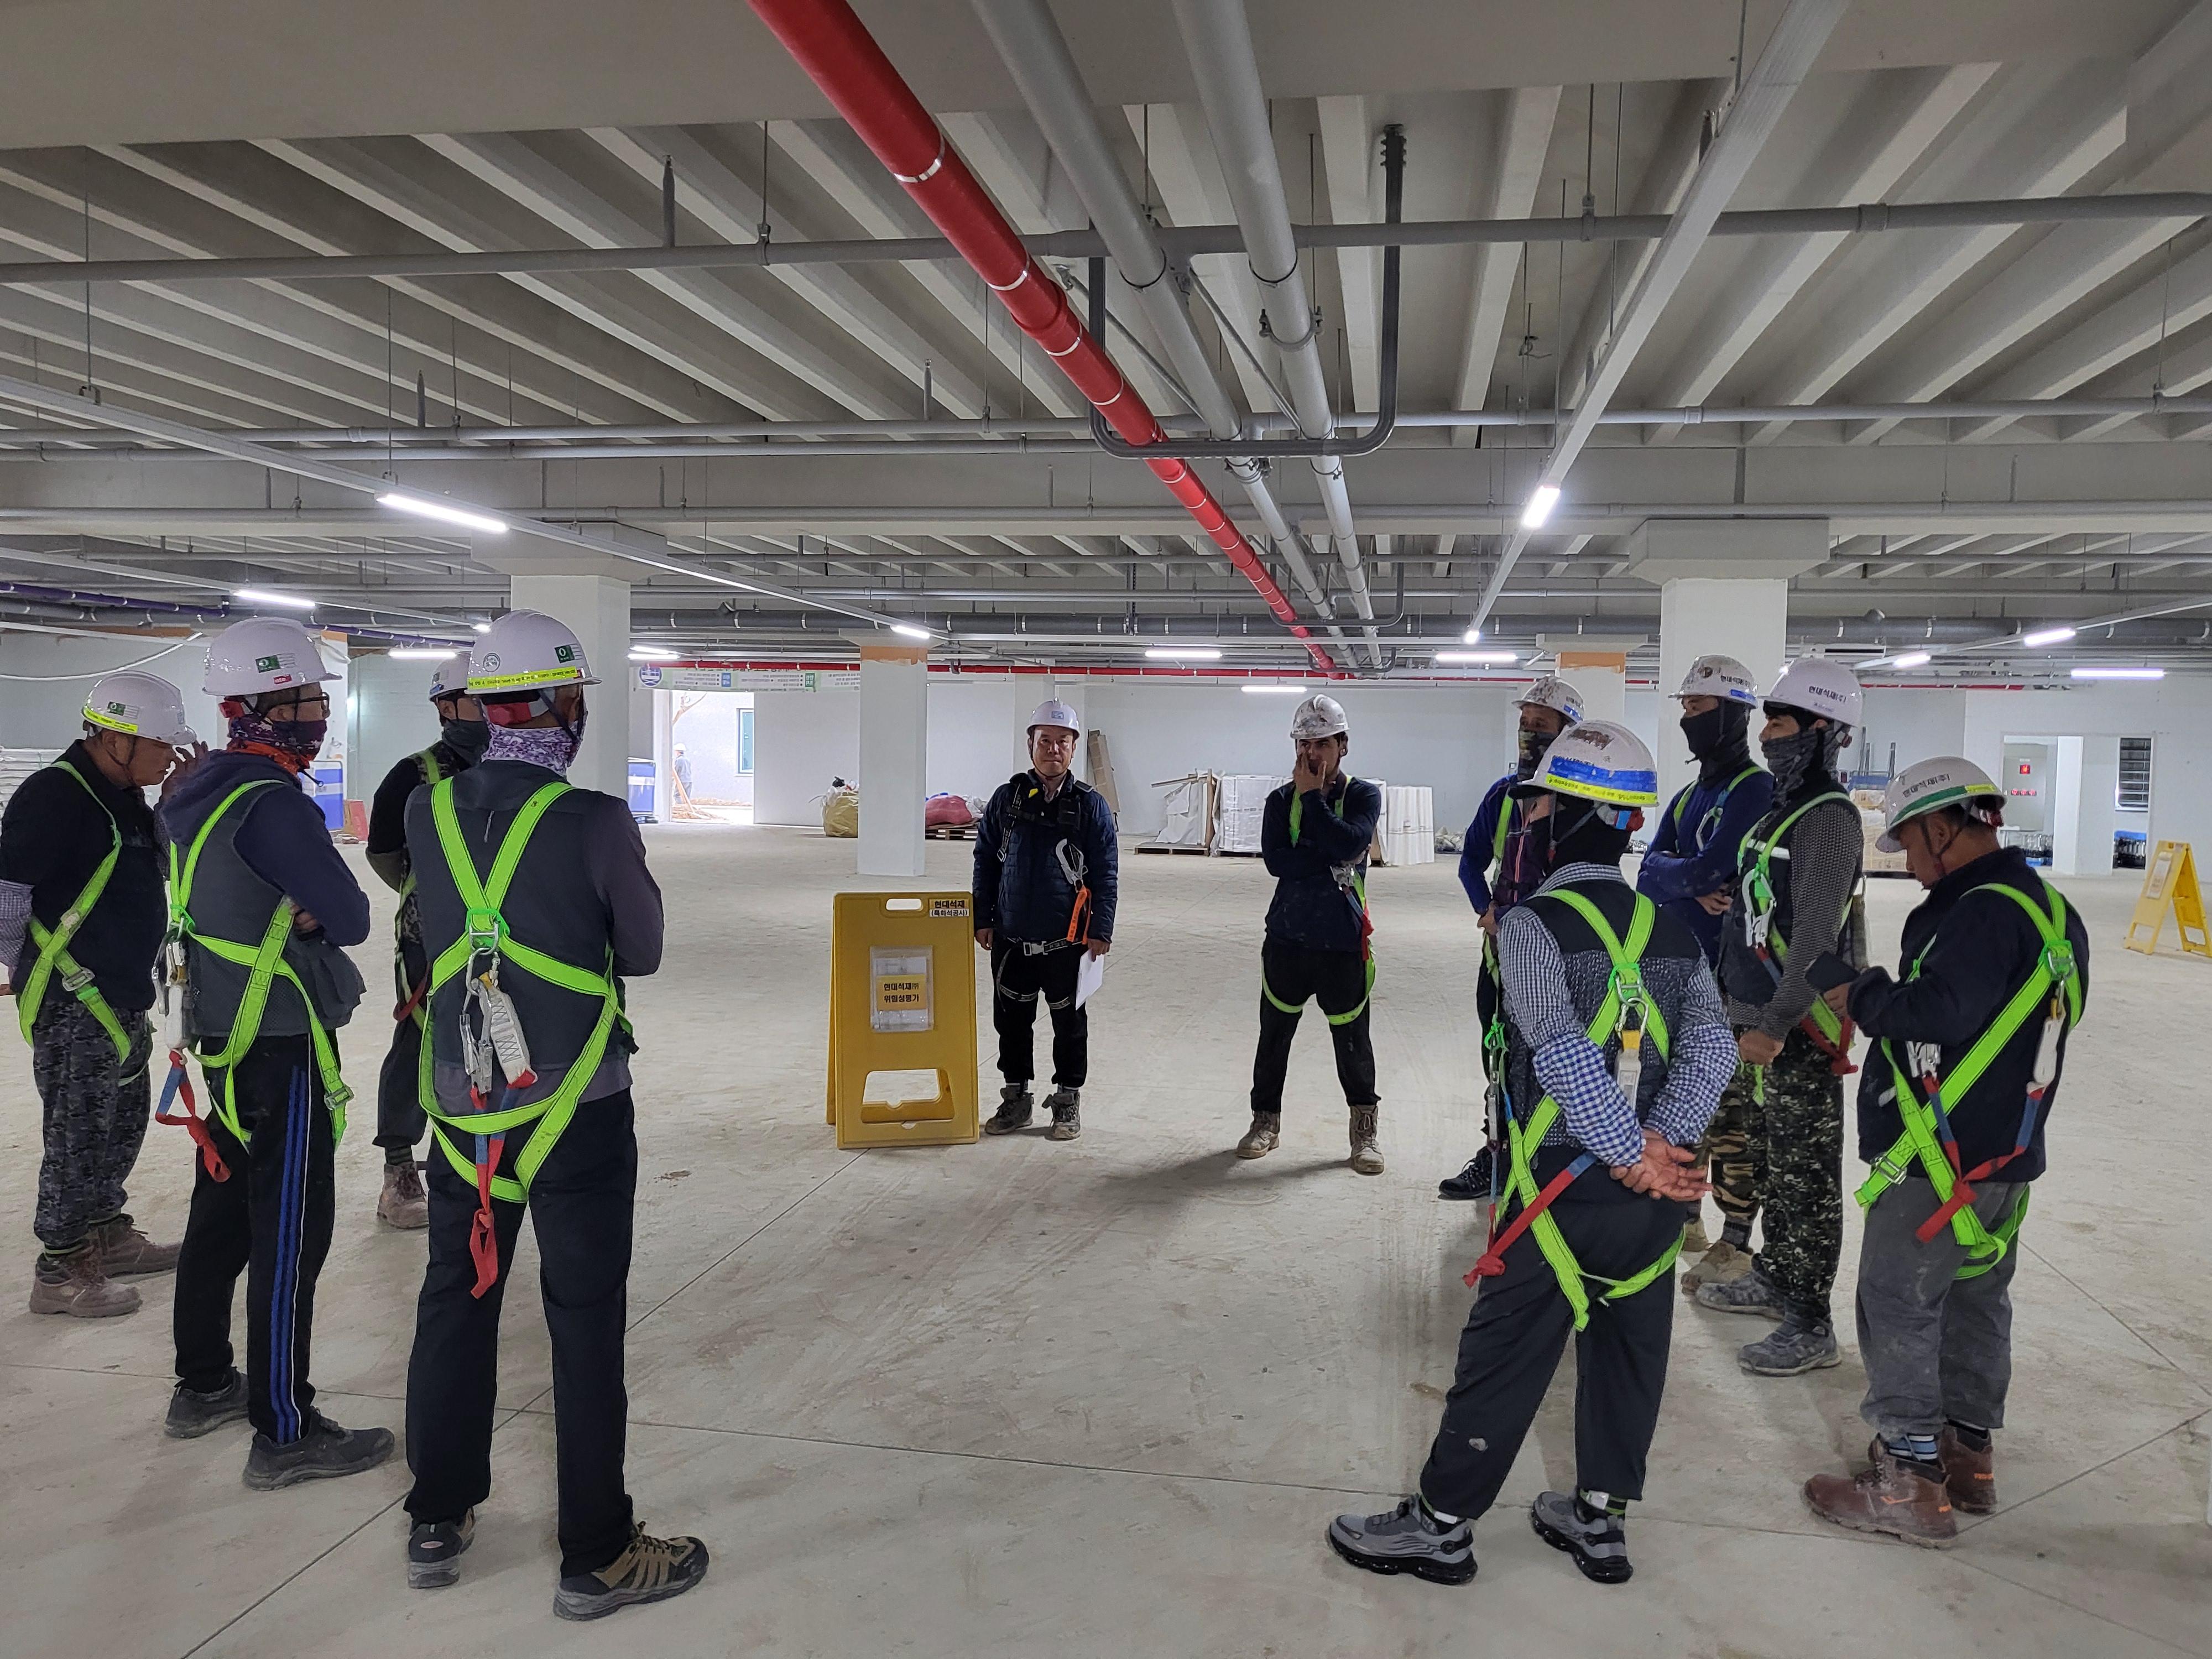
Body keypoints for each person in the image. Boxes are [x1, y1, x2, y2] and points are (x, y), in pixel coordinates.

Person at [1327, 722, 1734, 1588]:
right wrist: (1662, 1148)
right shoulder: (1673, 932)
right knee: (1631, 1353)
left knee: (1503, 1358)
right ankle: (1599, 1520)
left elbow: (1557, 1047)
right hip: (1652, 1206)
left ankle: (1441, 1527)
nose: (1531, 818)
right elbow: (1713, 1045)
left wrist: (1625, 1151)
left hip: (1559, 1192)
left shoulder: (1529, 926)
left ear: (1568, 816)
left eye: (1541, 805)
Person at [400, 609, 706, 1620]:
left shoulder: (426, 814)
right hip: (577, 1107)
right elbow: (643, 953)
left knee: (456, 1295)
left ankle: (437, 1518)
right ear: (562, 707)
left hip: (467, 1108)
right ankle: (597, 1553)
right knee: (582, 1317)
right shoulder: (596, 821)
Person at [1803, 758, 2088, 1545]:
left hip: (1940, 1160)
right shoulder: (2050, 910)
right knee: (1975, 1299)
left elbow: (1938, 1011)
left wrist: (1864, 993)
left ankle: (1907, 1477)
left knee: (1897, 1300)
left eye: (1907, 842)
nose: (1907, 860)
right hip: (2005, 1154)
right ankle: (1966, 1456)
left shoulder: (1975, 913)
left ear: (1941, 826)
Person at [160, 617, 390, 1486]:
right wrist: (308, 913)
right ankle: (286, 1431)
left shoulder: (193, 790)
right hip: (280, 1042)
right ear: (265, 704)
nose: (318, 716)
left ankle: (203, 1384)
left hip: (217, 1033)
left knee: (221, 1210)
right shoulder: (273, 801)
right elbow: (354, 916)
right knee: (290, 1231)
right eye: (306, 701)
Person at [1694, 656, 1866, 1378]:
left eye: (1781, 722)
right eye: (1767, 722)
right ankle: (1775, 1276)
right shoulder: (1784, 807)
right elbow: (1769, 906)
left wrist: (1775, 1022)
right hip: (1755, 1015)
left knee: (1805, 1176)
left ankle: (1810, 1319)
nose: (1766, 735)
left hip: (1796, 1028)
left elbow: (1819, 938)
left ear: (1821, 731)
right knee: (1769, 1160)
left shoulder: (1828, 818)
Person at [2, 672, 194, 1317]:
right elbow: (7, 893)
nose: (169, 756)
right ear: (116, 739)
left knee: (121, 1122)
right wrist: (28, 972)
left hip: (119, 991)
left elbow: (159, 867)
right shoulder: (54, 795)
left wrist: (169, 804)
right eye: (161, 745)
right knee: (78, 1135)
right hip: (73, 999)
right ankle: (60, 1267)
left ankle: (106, 1232)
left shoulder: (123, 796)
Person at [1634, 655, 1774, 1291]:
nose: (1688, 718)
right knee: (1683, 1098)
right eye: (1685, 707)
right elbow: (1649, 872)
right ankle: (1685, 1216)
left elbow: (1712, 867)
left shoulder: (1754, 790)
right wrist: (1685, 883)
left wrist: (1683, 877)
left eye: (1698, 707)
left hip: (1733, 977)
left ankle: (1736, 1240)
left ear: (1732, 714)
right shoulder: (1690, 795)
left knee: (1732, 1114)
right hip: (1682, 970)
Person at [1439, 675, 1585, 1202]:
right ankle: (1497, 1154)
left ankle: (1548, 1161)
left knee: (1554, 1060)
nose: (1529, 733)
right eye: (1525, 723)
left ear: (1568, 732)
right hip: (1501, 959)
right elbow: (1471, 862)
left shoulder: (1582, 801)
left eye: (1541, 724)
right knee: (1498, 1056)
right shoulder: (1504, 795)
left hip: (1560, 963)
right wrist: (1486, 909)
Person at [363, 656, 488, 1229]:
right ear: (445, 707)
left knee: (494, 1040)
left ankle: (471, 1154)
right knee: (420, 1042)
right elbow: (385, 855)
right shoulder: (413, 776)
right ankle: (399, 1169)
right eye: (475, 700)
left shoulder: (516, 769)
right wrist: (429, 898)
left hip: (503, 933)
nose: (489, 712)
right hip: (430, 939)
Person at [1237, 693, 1386, 1173]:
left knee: (1353, 1041)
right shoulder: (1279, 801)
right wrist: (1328, 848)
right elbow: (1279, 863)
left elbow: (1352, 843)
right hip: (1288, 938)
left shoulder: (1364, 797)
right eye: (1304, 744)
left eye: (1322, 743)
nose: (1311, 753)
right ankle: (1265, 1121)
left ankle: (1364, 1132)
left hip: (1342, 943)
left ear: (1343, 745)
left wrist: (1312, 801)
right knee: (1274, 1037)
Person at [974, 699, 1118, 1142]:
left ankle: (1067, 1099)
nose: (1053, 749)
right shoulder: (1007, 800)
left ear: (1073, 748)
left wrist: (1101, 930)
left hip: (1067, 942)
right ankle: (1016, 1098)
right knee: (1011, 1023)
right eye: (1045, 741)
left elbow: (1106, 871)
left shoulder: (1091, 806)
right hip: (1012, 938)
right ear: (1030, 745)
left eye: (1062, 742)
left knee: (1069, 1027)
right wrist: (983, 917)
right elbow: (985, 860)